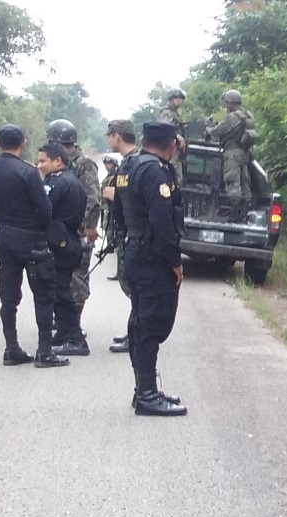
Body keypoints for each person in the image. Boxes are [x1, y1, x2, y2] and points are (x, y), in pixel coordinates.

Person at [0, 124, 68, 368]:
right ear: (23, 143)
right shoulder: (28, 173)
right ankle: (45, 351)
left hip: (5, 238)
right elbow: (45, 211)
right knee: (44, 295)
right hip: (32, 241)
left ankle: (12, 347)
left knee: (8, 297)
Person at [114, 120, 187, 416]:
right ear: (171, 145)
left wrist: (129, 241)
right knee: (152, 324)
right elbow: (162, 222)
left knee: (140, 321)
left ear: (143, 139)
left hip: (134, 250)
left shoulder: (128, 167)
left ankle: (144, 390)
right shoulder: (155, 171)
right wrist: (175, 261)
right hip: (152, 257)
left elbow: (117, 212)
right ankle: (146, 395)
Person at [46, 118, 101, 354]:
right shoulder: (61, 164)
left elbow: (93, 198)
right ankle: (65, 329)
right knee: (62, 282)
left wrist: (90, 227)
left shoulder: (84, 164)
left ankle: (73, 330)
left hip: (77, 231)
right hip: (64, 230)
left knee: (76, 280)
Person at [38, 142, 89, 356]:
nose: (39, 165)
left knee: (60, 292)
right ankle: (64, 334)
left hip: (61, 244)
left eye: (43, 161)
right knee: (58, 292)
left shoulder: (57, 183)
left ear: (58, 161)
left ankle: (76, 339)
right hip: (69, 242)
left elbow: (42, 211)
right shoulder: (72, 181)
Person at [101, 119, 139, 353]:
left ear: (117, 136)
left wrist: (116, 195)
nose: (108, 140)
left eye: (110, 135)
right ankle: (133, 334)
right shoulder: (128, 163)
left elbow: (136, 199)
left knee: (134, 289)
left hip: (133, 236)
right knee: (131, 288)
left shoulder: (135, 164)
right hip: (125, 235)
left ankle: (136, 336)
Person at [206, 89, 257, 216]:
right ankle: (245, 210)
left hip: (232, 153)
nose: (226, 105)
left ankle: (235, 211)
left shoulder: (233, 117)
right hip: (245, 153)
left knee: (232, 181)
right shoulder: (247, 115)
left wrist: (208, 128)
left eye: (226, 102)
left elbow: (217, 131)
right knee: (245, 181)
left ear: (230, 102)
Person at [158, 88, 187, 183]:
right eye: (176, 98)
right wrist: (179, 138)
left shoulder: (175, 113)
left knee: (177, 176)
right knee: (172, 174)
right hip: (170, 147)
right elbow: (165, 127)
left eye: (180, 98)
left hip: (176, 149)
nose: (179, 100)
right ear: (171, 99)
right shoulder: (167, 111)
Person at [100, 153, 119, 273]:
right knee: (106, 224)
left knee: (111, 226)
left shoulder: (115, 176)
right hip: (106, 205)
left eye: (109, 164)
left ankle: (112, 244)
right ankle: (109, 244)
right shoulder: (109, 176)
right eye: (106, 164)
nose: (107, 166)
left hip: (112, 206)